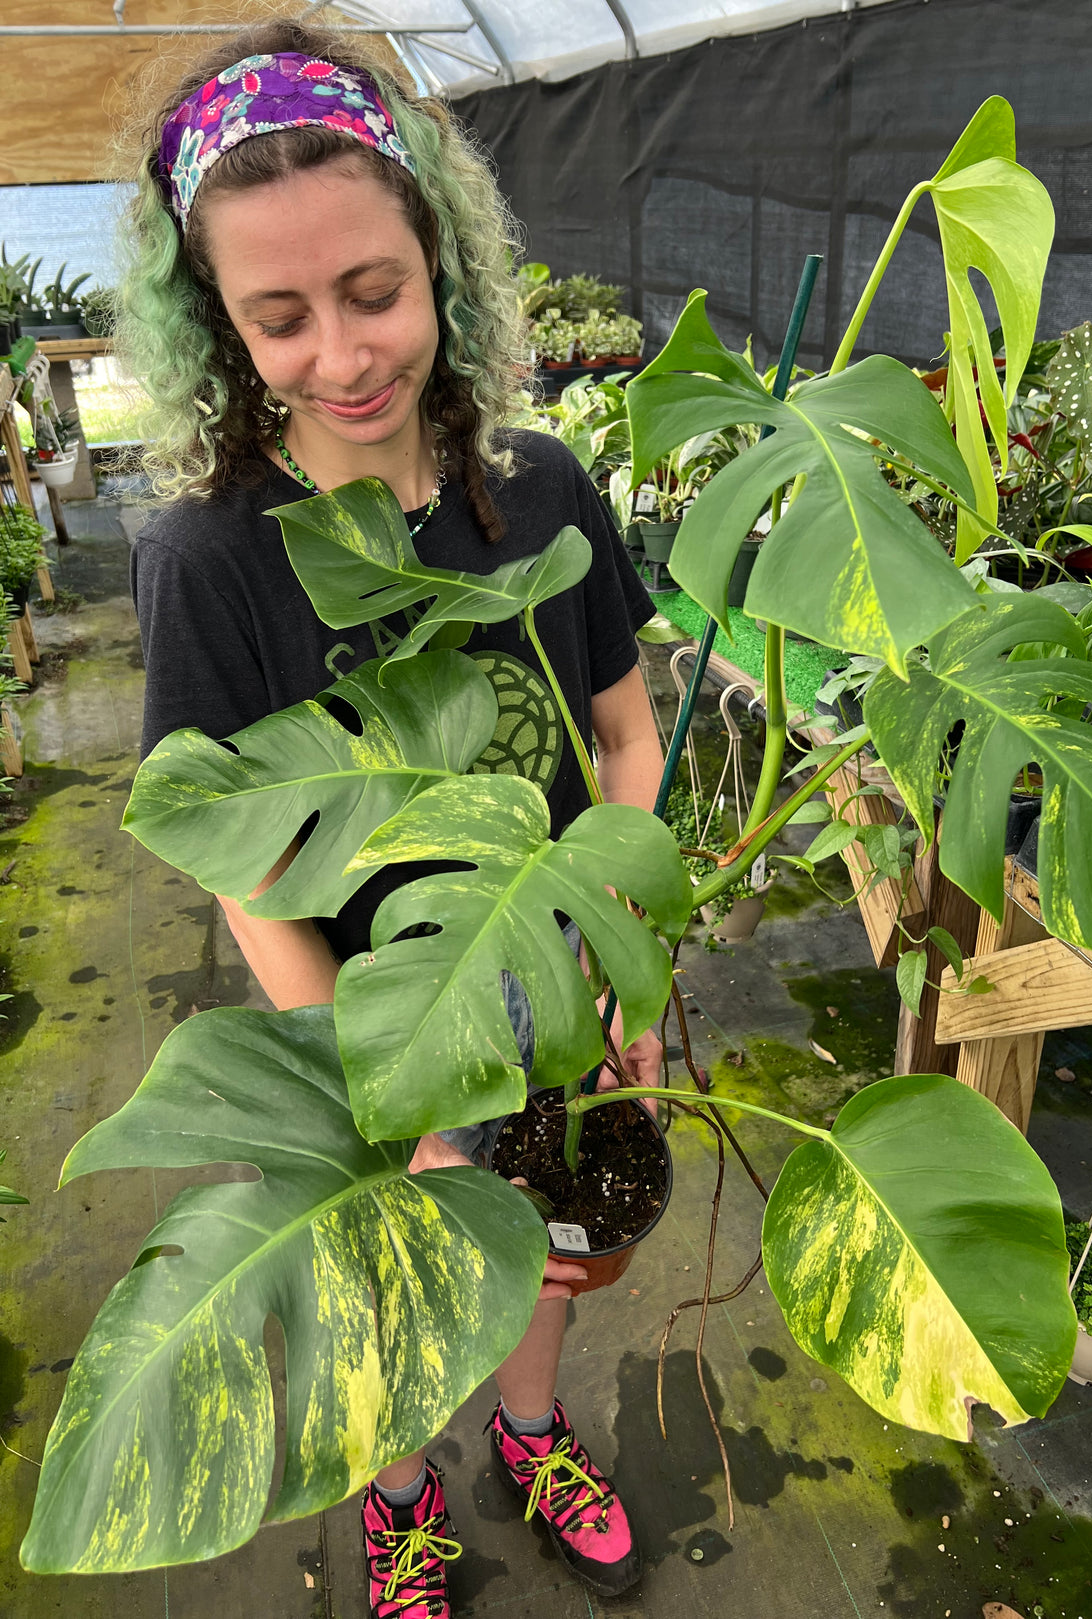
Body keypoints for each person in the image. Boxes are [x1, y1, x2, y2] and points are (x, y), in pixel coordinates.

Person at [122, 21, 664, 1617]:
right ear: (216, 326)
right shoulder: (210, 556)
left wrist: (619, 954)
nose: (342, 357)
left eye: (374, 293)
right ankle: (400, 1496)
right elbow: (238, 866)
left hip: (543, 971)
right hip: (352, 1011)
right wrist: (393, 1097)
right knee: (384, 1286)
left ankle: (531, 1431)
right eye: (276, 318)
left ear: (441, 262)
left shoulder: (543, 492)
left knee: (542, 1250)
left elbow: (627, 743)